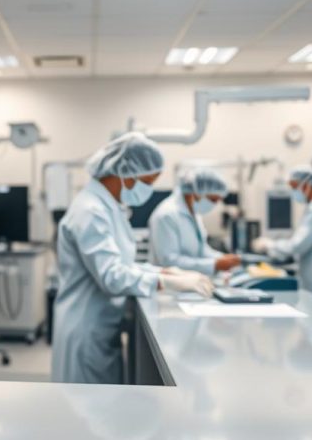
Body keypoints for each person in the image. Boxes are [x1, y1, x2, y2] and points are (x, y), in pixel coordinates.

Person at [52, 133, 214, 384]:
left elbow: (123, 265)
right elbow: (112, 276)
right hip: (86, 329)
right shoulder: (91, 211)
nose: (148, 190)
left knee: (99, 409)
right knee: (85, 411)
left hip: (101, 326)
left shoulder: (108, 207)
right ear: (125, 172)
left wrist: (166, 273)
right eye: (148, 181)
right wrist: (165, 282)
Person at [253, 166, 312, 303]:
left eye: (295, 186)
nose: (293, 191)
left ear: (308, 184)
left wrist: (269, 245)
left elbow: (299, 244)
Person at [148, 168, 241, 276]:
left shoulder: (194, 213)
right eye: (213, 200)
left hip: (190, 283)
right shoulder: (166, 215)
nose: (214, 205)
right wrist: (214, 264)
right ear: (196, 193)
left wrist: (222, 259)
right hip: (169, 287)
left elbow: (201, 251)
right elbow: (169, 262)